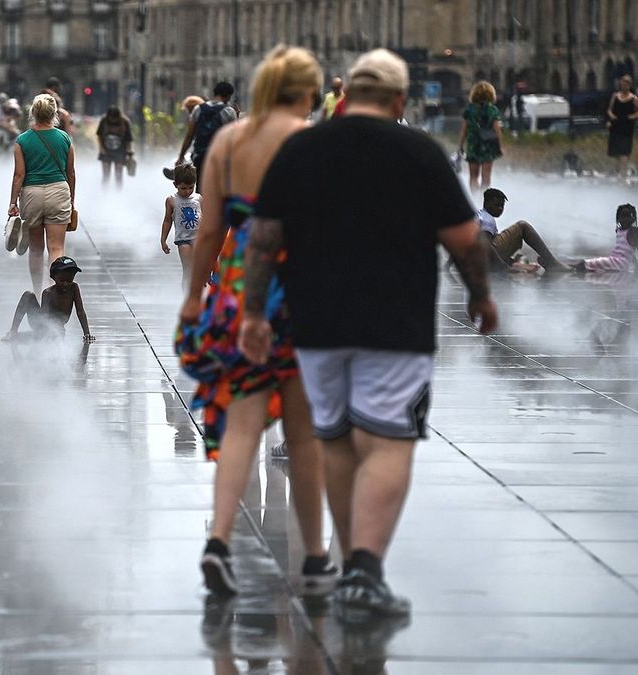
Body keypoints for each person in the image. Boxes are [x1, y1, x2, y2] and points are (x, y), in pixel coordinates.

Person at [237, 49, 497, 619]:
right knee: (388, 440)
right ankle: (364, 568)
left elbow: (262, 238)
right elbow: (465, 238)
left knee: (335, 439)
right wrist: (480, 296)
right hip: (395, 323)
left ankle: (352, 558)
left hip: (316, 323)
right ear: (400, 101)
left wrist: (253, 314)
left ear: (346, 95)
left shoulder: (300, 149)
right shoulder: (420, 152)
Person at [176, 47, 333, 598]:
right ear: (308, 92)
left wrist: (196, 295)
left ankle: (220, 540)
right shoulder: (317, 144)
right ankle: (313, 556)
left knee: (240, 422)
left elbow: (212, 229)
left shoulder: (229, 143)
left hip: (241, 286)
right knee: (303, 431)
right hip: (304, 289)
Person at [7, 94, 74, 290]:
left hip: (31, 194)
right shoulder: (64, 138)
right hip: (59, 191)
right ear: (55, 114)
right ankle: (57, 291)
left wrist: (13, 203)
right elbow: (71, 173)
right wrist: (72, 200)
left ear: (33, 113)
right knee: (56, 248)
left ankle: (39, 293)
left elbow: (19, 175)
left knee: (36, 250)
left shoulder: (22, 140)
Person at [476, 188, 569, 274]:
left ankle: (548, 262)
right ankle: (552, 263)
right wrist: (503, 267)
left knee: (519, 256)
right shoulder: (487, 219)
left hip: (478, 257)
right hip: (483, 259)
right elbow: (486, 244)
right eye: (496, 205)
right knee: (522, 226)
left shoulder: (481, 215)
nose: (500, 209)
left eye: (502, 206)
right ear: (486, 203)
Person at [2, 256, 93, 342]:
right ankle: (13, 331)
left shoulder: (74, 288)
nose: (65, 284)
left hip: (57, 328)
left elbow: (80, 312)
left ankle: (31, 336)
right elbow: (43, 318)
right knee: (28, 295)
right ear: (54, 278)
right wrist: (47, 333)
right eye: (62, 280)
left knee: (51, 335)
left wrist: (87, 334)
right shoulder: (48, 293)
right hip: (41, 325)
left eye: (69, 281)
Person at [175, 81, 237, 187]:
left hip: (199, 156)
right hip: (218, 158)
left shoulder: (198, 109)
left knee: (200, 189)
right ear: (228, 96)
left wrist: (181, 156)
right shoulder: (229, 111)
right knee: (216, 189)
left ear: (214, 93)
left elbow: (189, 136)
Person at [573, 203, 638, 273]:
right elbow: (627, 252)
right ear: (618, 218)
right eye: (622, 216)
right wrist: (636, 265)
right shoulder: (619, 231)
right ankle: (571, 268)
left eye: (627, 216)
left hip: (619, 264)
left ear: (632, 218)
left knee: (583, 264)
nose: (624, 219)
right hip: (614, 260)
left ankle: (570, 269)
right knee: (582, 265)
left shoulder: (634, 231)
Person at [159, 163, 200, 285]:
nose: (187, 191)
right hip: (183, 240)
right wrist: (163, 239)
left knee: (199, 267)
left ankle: (197, 290)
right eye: (183, 188)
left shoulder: (198, 199)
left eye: (190, 187)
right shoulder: (172, 200)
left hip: (199, 238)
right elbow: (167, 220)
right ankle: (187, 294)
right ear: (175, 185)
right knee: (187, 269)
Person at [459, 80, 503, 191]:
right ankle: (484, 200)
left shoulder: (469, 110)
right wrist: (500, 146)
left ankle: (475, 200)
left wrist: (460, 145)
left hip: (473, 144)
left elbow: (464, 130)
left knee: (473, 176)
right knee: (486, 175)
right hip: (488, 144)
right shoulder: (493, 110)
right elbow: (497, 130)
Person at [607, 75, 638, 178]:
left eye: (626, 84)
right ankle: (621, 171)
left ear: (629, 85)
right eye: (622, 83)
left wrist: (633, 116)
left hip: (627, 126)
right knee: (616, 152)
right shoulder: (615, 96)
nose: (623, 85)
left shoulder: (633, 98)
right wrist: (611, 116)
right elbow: (609, 109)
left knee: (625, 151)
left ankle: (623, 175)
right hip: (616, 125)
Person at [95, 106, 133, 187]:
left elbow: (128, 139)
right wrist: (101, 148)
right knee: (106, 174)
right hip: (106, 151)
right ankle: (104, 192)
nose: (113, 120)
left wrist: (129, 151)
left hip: (120, 151)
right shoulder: (104, 121)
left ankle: (118, 193)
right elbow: (99, 135)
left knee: (118, 174)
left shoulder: (125, 122)